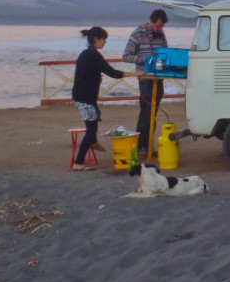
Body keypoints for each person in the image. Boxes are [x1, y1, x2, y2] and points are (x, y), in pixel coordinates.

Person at [72, 27, 140, 171]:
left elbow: (88, 73)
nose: (105, 42)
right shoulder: (92, 55)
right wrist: (135, 74)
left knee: (95, 119)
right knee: (91, 129)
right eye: (104, 39)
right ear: (96, 39)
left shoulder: (88, 53)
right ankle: (79, 162)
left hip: (84, 96)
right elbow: (112, 73)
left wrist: (96, 78)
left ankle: (93, 142)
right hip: (84, 97)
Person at [123, 9, 169, 153]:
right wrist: (147, 59)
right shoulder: (137, 34)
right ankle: (139, 146)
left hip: (158, 78)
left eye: (162, 27)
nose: (160, 29)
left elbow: (166, 52)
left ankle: (148, 145)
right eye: (158, 26)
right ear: (151, 21)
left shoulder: (161, 34)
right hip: (144, 78)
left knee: (153, 112)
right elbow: (126, 56)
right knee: (146, 111)